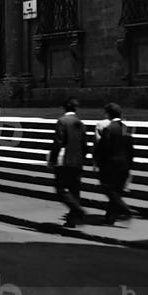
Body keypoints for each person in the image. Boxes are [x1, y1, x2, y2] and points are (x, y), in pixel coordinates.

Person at [93, 102, 135, 225]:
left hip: (110, 165)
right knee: (116, 190)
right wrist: (130, 165)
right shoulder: (125, 128)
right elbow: (130, 149)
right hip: (124, 165)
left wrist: (97, 162)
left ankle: (125, 209)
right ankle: (110, 218)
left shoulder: (109, 129)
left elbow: (103, 148)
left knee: (108, 188)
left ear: (108, 114)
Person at [50, 97, 88, 228]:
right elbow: (84, 144)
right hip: (78, 161)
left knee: (61, 190)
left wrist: (52, 159)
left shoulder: (62, 121)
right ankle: (72, 219)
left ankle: (77, 210)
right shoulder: (80, 123)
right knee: (75, 189)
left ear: (64, 108)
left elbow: (58, 142)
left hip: (65, 160)